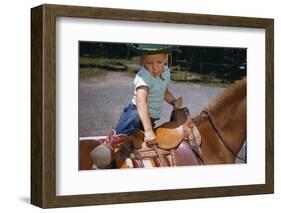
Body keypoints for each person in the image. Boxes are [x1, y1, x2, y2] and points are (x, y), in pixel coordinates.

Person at [91, 44, 183, 168]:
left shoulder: (165, 72)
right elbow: (141, 102)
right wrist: (149, 131)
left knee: (145, 139)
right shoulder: (144, 76)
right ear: (143, 60)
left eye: (159, 62)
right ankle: (109, 144)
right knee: (133, 117)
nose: (155, 67)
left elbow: (164, 91)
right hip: (137, 110)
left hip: (149, 118)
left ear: (166, 58)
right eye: (149, 63)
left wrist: (173, 101)